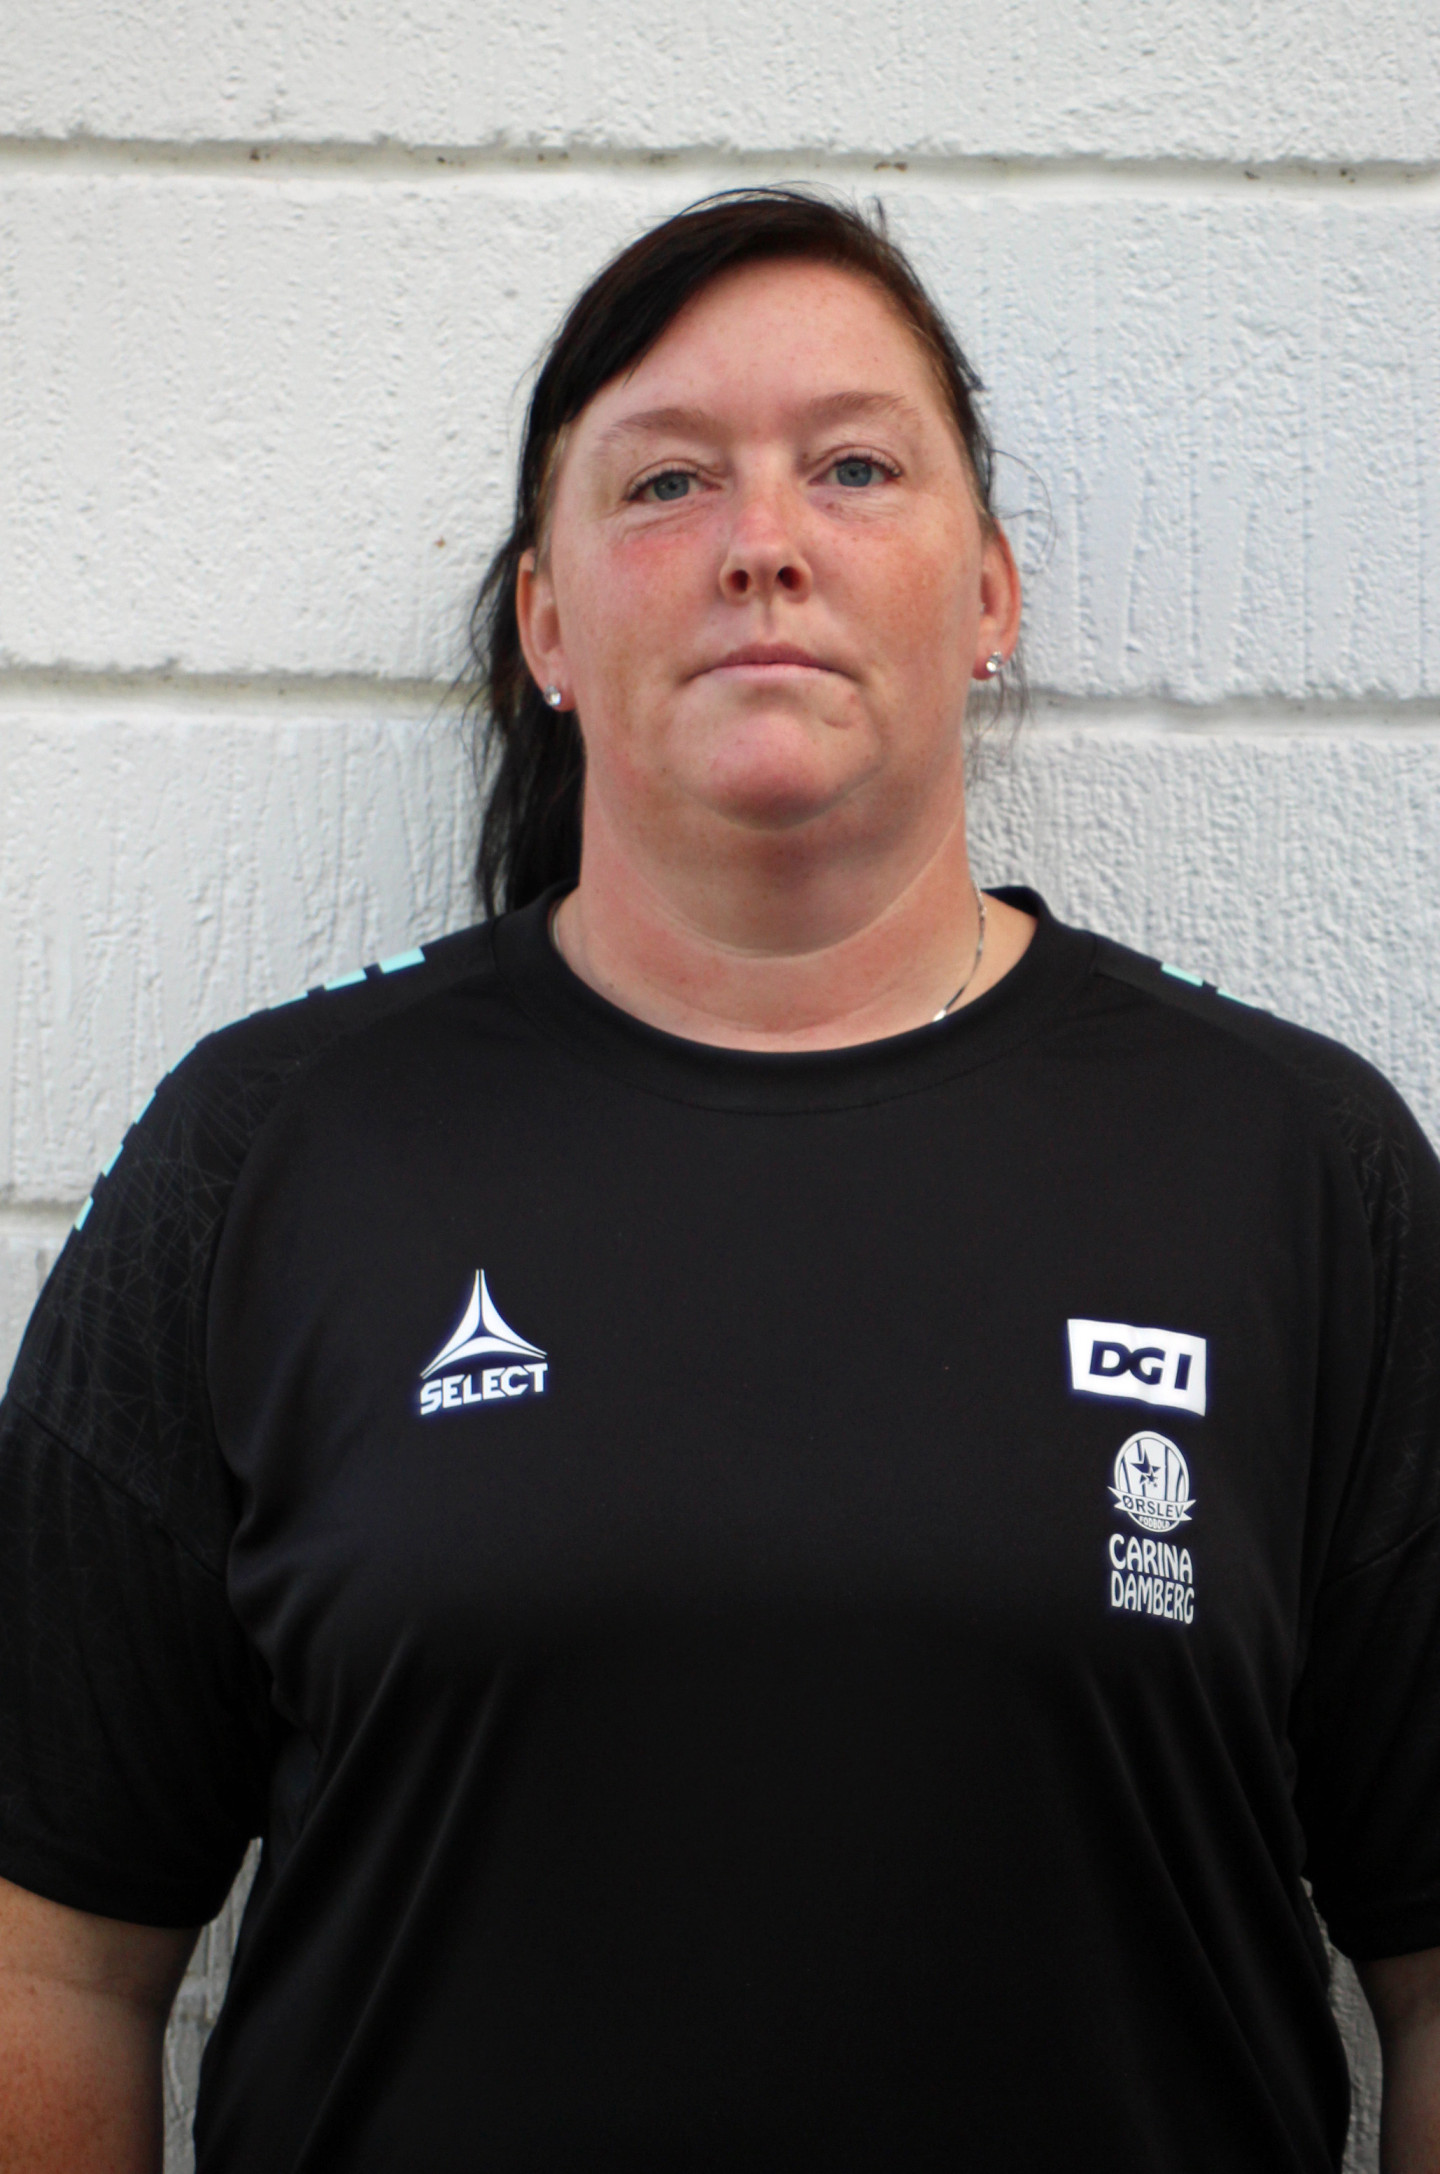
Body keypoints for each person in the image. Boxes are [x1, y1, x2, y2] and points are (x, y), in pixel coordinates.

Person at [1, 186, 1438, 2174]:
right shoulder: (269, 1153)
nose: (764, 540)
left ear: (992, 594)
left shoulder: (1298, 1172)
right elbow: (47, 1956)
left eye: (854, 466)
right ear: (546, 622)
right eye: (667, 481)